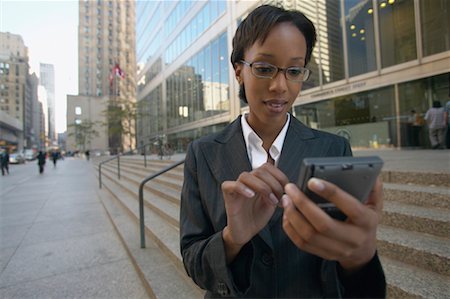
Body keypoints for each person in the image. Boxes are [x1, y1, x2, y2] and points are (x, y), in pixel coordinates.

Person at [180, 5, 385, 298]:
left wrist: (359, 258)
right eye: (264, 68)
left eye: (294, 71)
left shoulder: (333, 148)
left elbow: (342, 263)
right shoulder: (202, 153)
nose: (280, 86)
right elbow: (192, 259)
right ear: (239, 71)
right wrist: (231, 239)